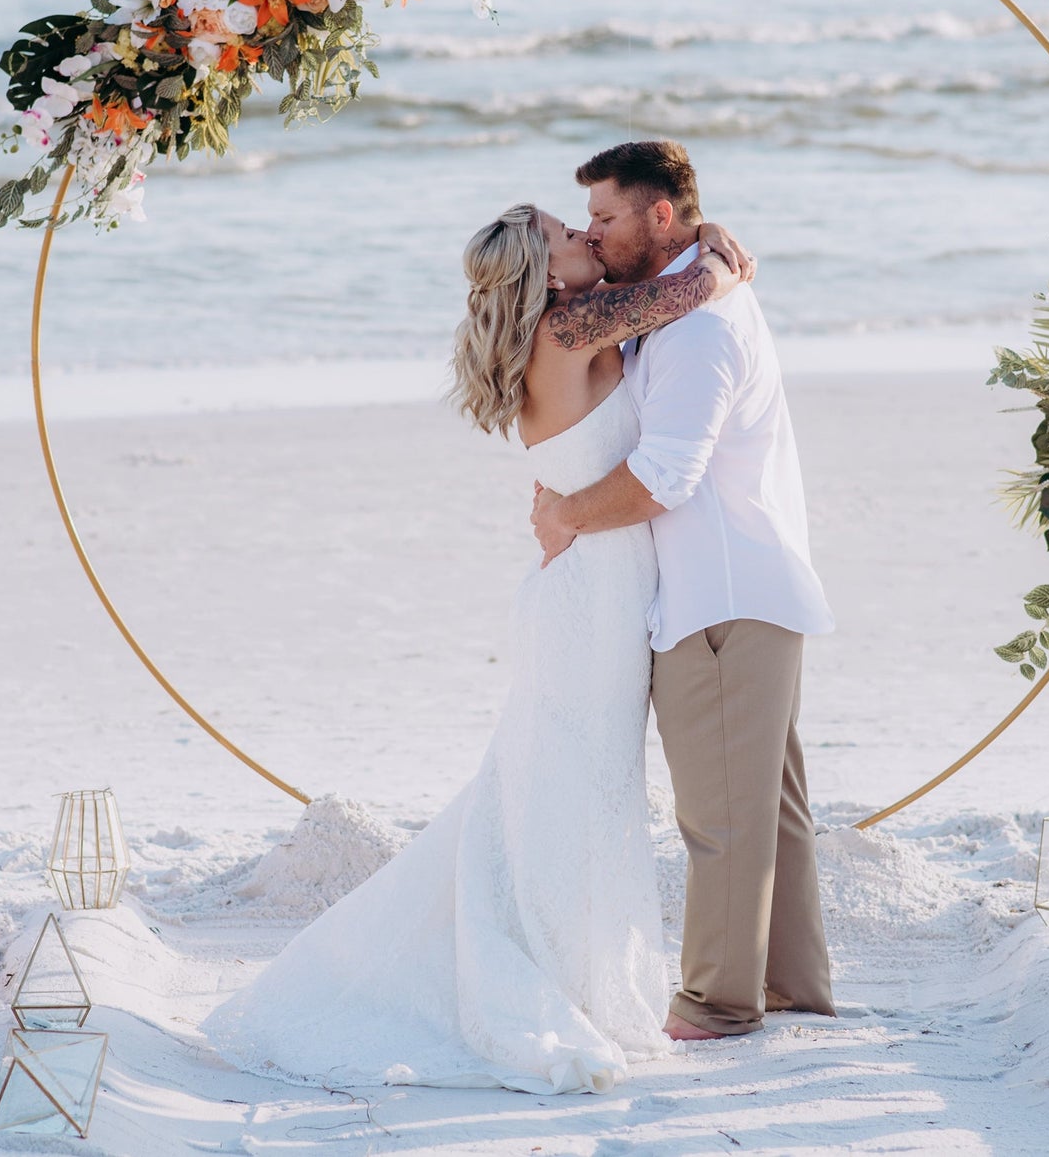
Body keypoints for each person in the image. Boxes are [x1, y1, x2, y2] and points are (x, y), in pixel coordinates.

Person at [201, 200, 751, 1096]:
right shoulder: (567, 327)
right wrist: (717, 248)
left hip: (590, 591)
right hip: (588, 602)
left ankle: (572, 972)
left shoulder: (561, 328)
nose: (586, 235)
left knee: (560, 788)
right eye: (568, 235)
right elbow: (693, 292)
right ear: (545, 271)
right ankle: (558, 981)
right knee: (575, 792)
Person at [532, 140, 837, 1041]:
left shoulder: (696, 329)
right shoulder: (679, 306)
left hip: (721, 596)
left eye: (604, 216)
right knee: (769, 808)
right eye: (583, 221)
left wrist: (566, 516)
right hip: (745, 586)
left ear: (660, 215)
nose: (592, 231)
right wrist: (712, 247)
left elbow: (665, 475)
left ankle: (717, 1000)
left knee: (721, 817)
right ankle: (790, 983)